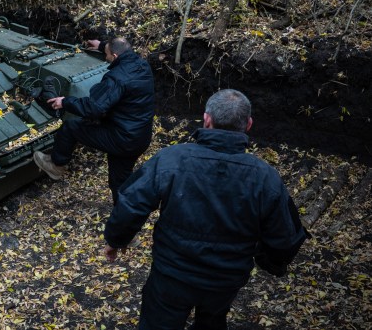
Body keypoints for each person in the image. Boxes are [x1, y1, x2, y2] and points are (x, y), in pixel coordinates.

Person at [103, 89, 310, 330]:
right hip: (226, 279)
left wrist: (115, 239)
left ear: (206, 119)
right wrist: (271, 262)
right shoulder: (265, 177)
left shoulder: (172, 159)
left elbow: (132, 203)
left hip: (172, 275)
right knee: (212, 321)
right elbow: (284, 236)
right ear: (248, 124)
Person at [33, 37, 155, 204]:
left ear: (115, 56)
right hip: (140, 136)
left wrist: (65, 102)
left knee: (71, 127)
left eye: (107, 55)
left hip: (121, 138)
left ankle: (56, 165)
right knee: (120, 180)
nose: (105, 58)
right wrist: (102, 46)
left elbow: (94, 108)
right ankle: (127, 215)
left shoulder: (116, 78)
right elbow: (118, 51)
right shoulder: (142, 65)